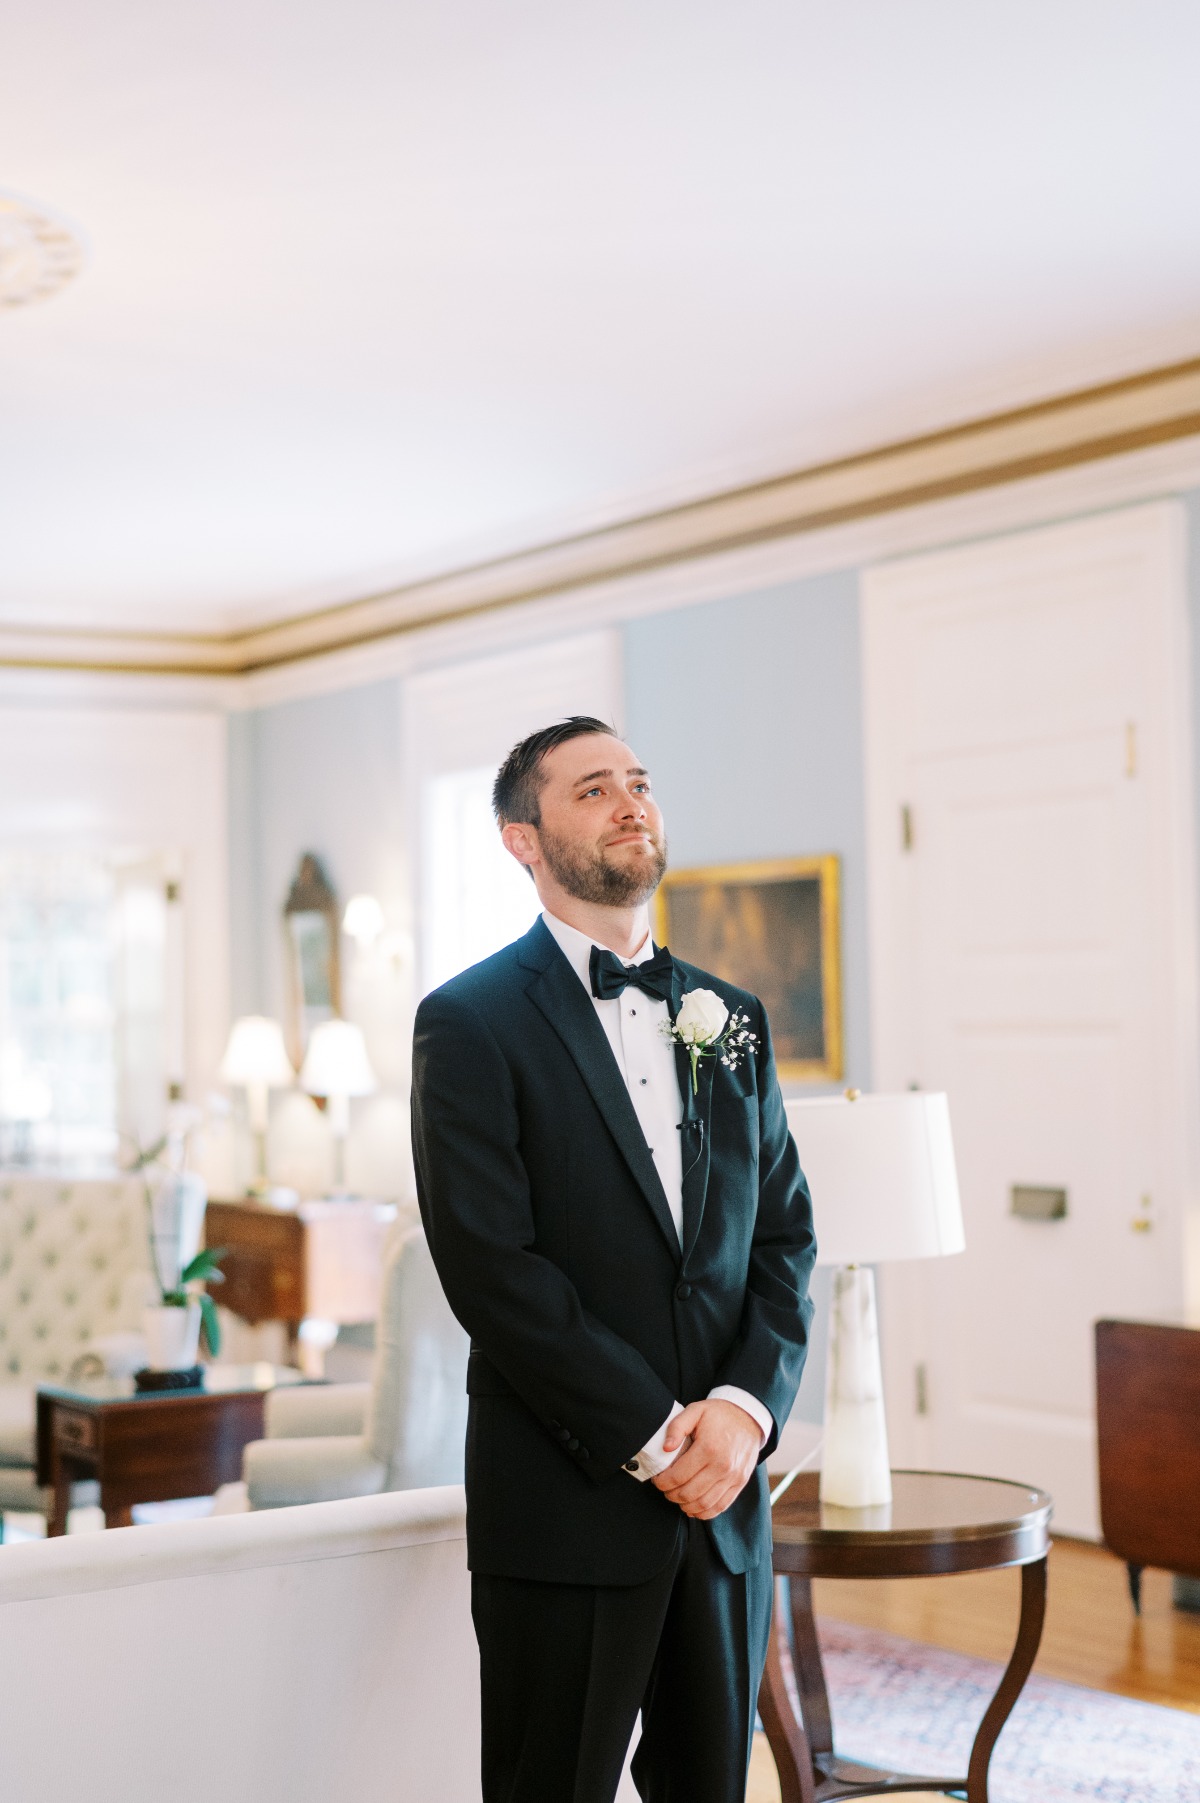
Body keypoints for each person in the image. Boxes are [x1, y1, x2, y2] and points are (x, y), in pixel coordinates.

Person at [411, 715, 816, 1803]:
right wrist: (651, 1432)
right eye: (592, 789)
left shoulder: (730, 1020)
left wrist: (741, 1411)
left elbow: (782, 1240)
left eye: (637, 781)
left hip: (725, 1507)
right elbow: (492, 1267)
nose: (630, 802)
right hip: (566, 1500)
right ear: (522, 840)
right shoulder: (467, 1023)